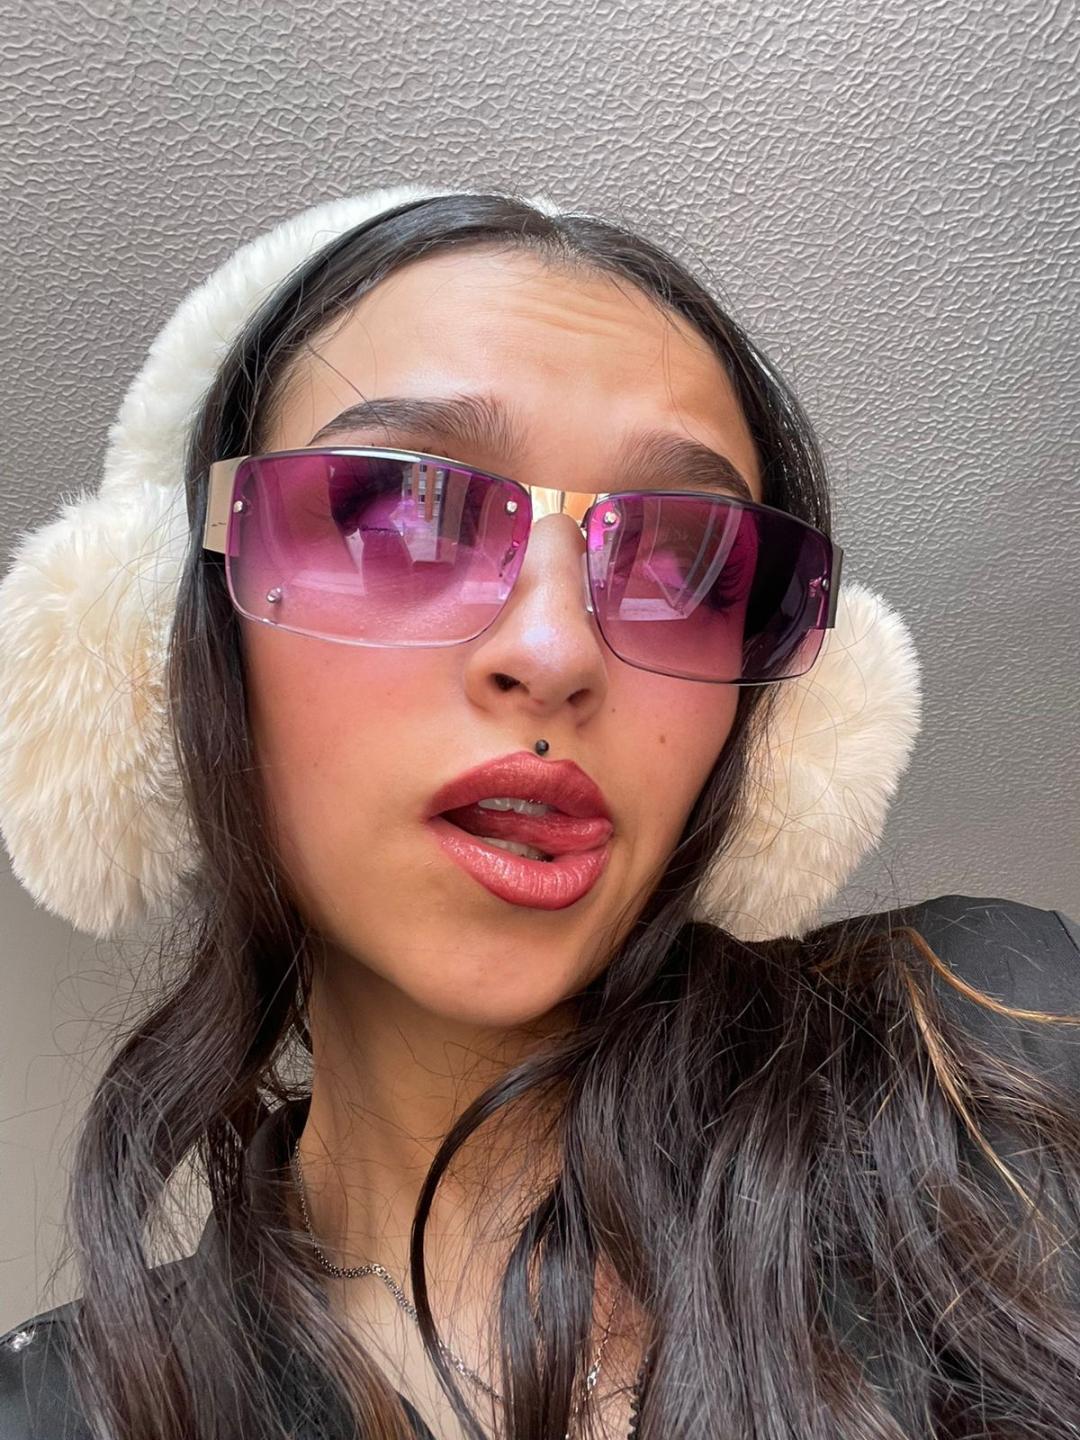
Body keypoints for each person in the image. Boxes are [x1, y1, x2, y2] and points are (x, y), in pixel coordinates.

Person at [0, 185, 1077, 1440]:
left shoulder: (999, 1047)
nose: (558, 654)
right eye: (399, 514)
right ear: (180, 658)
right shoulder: (54, 1412)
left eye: (683, 562)